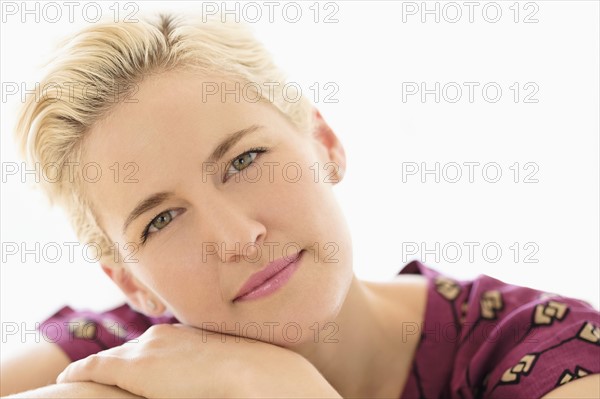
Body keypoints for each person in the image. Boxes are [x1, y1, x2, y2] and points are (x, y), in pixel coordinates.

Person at [2, 13, 599, 399]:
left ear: (325, 144)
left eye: (243, 160)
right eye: (161, 220)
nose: (236, 237)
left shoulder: (546, 351)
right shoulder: (128, 354)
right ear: (132, 282)